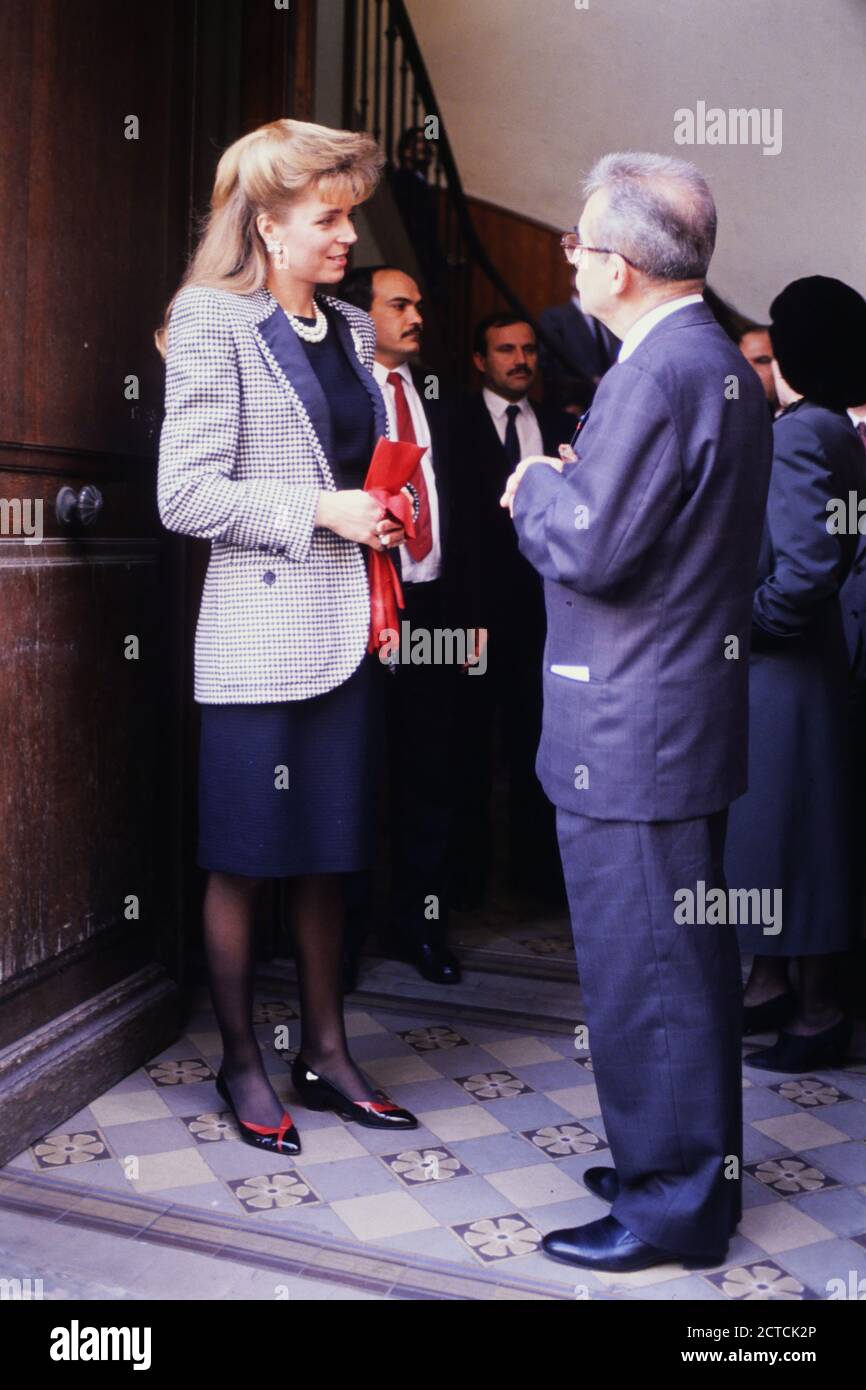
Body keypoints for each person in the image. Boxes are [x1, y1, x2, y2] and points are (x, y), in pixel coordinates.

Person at [503, 152, 773, 1272]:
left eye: (574, 242)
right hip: (675, 712)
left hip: (632, 725)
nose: (566, 255)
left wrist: (534, 489)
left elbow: (592, 547)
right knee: (679, 964)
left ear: (615, 266)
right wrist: (585, 485)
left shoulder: (655, 372)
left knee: (644, 972)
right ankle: (682, 1165)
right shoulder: (707, 360)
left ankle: (671, 1205)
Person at [155, 118, 419, 1153]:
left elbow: (354, 468)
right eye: (326, 217)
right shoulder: (211, 320)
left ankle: (326, 1051)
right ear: (266, 226)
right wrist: (324, 511)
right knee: (245, 857)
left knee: (326, 855)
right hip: (258, 635)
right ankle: (240, 1061)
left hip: (346, 631)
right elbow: (185, 493)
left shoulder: (352, 329)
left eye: (348, 212)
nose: (346, 234)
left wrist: (376, 517)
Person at [726, 277, 866, 1072]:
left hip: (784, 669)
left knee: (793, 843)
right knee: (780, 838)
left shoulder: (800, 434)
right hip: (802, 668)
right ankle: (770, 986)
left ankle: (818, 1012)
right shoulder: (828, 427)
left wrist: (753, 626)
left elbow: (812, 561)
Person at [338, 264, 482, 985]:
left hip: (433, 611)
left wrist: (474, 618)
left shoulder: (446, 403)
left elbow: (479, 522)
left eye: (420, 304)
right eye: (400, 304)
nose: (416, 315)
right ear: (361, 314)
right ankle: (339, 940)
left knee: (433, 773)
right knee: (353, 774)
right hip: (356, 607)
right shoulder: (336, 393)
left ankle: (421, 927)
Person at [452, 314, 573, 907]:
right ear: (481, 359)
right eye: (506, 349)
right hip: (466, 619)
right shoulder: (449, 421)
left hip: (542, 619)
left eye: (528, 349)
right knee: (466, 752)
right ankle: (467, 886)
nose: (520, 359)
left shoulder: (561, 427)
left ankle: (536, 881)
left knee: (539, 746)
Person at [538, 272, 620, 412]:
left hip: (611, 408)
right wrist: (591, 382)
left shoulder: (612, 319)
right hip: (570, 410)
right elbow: (550, 367)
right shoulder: (555, 318)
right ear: (573, 280)